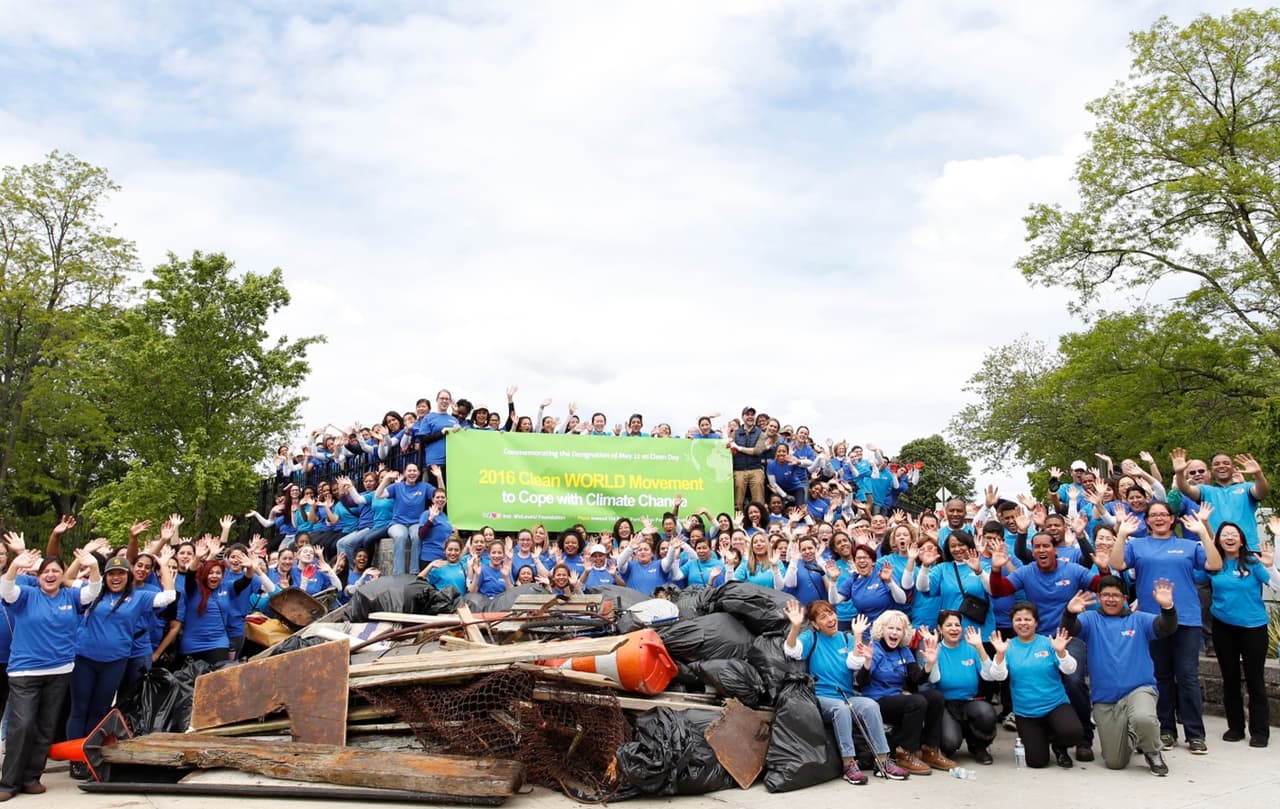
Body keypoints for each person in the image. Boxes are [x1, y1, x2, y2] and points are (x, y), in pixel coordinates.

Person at [1110, 502, 1221, 754]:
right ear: (1147, 520)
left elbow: (1214, 565)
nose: (1158, 518)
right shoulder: (1137, 545)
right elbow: (1117, 564)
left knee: (1187, 677)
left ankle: (1195, 733)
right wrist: (1122, 533)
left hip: (1187, 619)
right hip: (1152, 621)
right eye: (1153, 515)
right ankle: (1166, 730)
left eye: (1163, 514)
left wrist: (1203, 532)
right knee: (1160, 677)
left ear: (1172, 519)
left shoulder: (1189, 546)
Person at [987, 532, 1099, 761]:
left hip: (1067, 635)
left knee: (1074, 680)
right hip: (1036, 637)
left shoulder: (1072, 570)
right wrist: (996, 569)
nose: (1041, 550)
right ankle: (1045, 732)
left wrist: (1105, 569)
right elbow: (1000, 590)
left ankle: (1084, 739)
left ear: (1054, 549)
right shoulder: (1027, 571)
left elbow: (1099, 584)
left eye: (1045, 546)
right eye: (1036, 546)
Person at [66, 551, 178, 779]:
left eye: (120, 573)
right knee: (79, 709)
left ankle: (91, 755)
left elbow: (169, 596)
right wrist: (81, 560)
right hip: (84, 659)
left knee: (99, 710)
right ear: (105, 576)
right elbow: (66, 581)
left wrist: (164, 564)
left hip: (115, 662)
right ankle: (75, 759)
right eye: (111, 573)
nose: (115, 578)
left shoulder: (140, 596)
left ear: (128, 576)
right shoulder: (93, 592)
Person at [0, 548, 101, 799]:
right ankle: (8, 782)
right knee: (22, 726)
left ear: (62, 574)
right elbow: (7, 590)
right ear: (38, 575)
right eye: (46, 570)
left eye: (56, 570)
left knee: (46, 727)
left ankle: (32, 777)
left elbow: (93, 592)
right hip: (25, 672)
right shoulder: (27, 595)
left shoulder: (71, 596)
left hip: (60, 671)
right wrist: (14, 566)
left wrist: (95, 568)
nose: (51, 574)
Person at [782, 601, 909, 784]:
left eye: (831, 613)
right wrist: (795, 627)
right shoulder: (812, 637)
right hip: (823, 697)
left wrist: (857, 636)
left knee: (870, 705)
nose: (830, 619)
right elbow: (792, 650)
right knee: (840, 709)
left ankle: (882, 762)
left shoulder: (846, 638)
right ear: (816, 624)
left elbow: (854, 664)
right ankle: (849, 763)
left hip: (847, 695)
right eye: (823, 617)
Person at [1061, 576, 1177, 775]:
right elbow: (1070, 629)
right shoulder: (1090, 619)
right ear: (1098, 597)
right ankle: (1133, 734)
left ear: (1124, 598)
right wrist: (1069, 613)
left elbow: (1165, 627)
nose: (1110, 599)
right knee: (1115, 762)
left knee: (1143, 718)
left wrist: (1168, 608)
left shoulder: (1138, 619)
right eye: (1106, 595)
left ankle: (1152, 751)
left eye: (1115, 595)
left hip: (1139, 689)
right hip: (1106, 699)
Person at [1191, 515, 1271, 746]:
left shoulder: (1253, 562)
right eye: (1224, 534)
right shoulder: (1214, 565)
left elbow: (1275, 585)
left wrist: (1270, 565)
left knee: (1255, 679)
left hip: (1253, 627)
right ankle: (1235, 727)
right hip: (1223, 627)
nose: (1229, 538)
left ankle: (1260, 731)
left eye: (1233, 534)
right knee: (1230, 679)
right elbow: (1191, 577)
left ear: (1242, 540)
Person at [855, 609, 953, 775]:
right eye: (890, 628)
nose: (894, 632)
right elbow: (861, 682)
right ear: (882, 630)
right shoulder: (875, 649)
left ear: (904, 633)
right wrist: (867, 662)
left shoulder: (904, 651)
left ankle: (930, 749)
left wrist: (929, 664)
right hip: (877, 700)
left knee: (935, 697)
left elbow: (917, 678)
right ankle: (904, 753)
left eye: (898, 629)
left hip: (898, 699)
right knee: (917, 701)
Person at [988, 602, 1084, 769]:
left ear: (1036, 622)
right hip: (1027, 711)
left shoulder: (1049, 643)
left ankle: (1059, 747)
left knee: (1073, 732)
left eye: (1027, 619)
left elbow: (1070, 669)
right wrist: (1000, 655)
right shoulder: (1007, 646)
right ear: (1012, 623)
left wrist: (1061, 652)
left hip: (1055, 704)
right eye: (1018, 619)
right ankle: (1042, 736)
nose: (1023, 623)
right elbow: (998, 676)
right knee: (1037, 762)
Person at [930, 611, 997, 764]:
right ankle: (953, 735)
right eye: (949, 625)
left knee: (986, 714)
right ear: (940, 629)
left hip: (970, 701)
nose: (954, 629)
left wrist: (980, 647)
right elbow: (934, 679)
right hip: (947, 705)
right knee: (950, 744)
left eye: (957, 625)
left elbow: (989, 676)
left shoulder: (971, 648)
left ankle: (978, 747)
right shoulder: (936, 650)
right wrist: (932, 658)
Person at [1173, 448, 1269, 550]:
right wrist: (1179, 473)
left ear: (1233, 468)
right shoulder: (1205, 491)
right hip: (1217, 549)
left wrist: (1258, 474)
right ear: (1212, 471)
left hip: (1248, 549)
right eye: (1217, 464)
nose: (1221, 466)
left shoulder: (1246, 488)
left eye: (1226, 463)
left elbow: (1262, 492)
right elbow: (1186, 489)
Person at [829, 545, 907, 632]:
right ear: (855, 562)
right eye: (858, 558)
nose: (862, 560)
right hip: (866, 631)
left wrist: (889, 581)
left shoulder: (883, 575)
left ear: (873, 562)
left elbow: (902, 600)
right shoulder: (853, 579)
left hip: (889, 630)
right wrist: (833, 581)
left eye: (865, 557)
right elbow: (834, 601)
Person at [374, 465, 435, 576]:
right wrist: (387, 479)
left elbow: (440, 495)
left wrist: (439, 477)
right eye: (409, 470)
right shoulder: (397, 487)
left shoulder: (424, 486)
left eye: (414, 470)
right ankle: (399, 574)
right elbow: (378, 495)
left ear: (418, 473)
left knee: (417, 536)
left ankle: (414, 572)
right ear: (405, 473)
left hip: (416, 523)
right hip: (397, 523)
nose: (412, 473)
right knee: (400, 536)